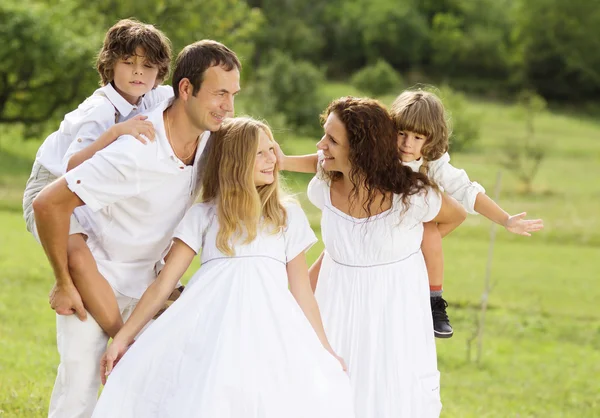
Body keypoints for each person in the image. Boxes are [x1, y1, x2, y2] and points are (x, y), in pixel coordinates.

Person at [32, 40, 241, 418]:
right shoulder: (133, 151)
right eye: (220, 94)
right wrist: (63, 281)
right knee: (79, 397)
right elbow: (48, 203)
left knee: (156, 395)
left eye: (233, 94)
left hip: (147, 288)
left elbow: (259, 155)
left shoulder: (211, 138)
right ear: (186, 89)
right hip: (94, 284)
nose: (228, 106)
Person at [92, 117, 355, 418]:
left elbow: (301, 291)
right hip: (211, 324)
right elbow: (164, 283)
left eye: (272, 150)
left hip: (269, 323)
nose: (273, 159)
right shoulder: (204, 214)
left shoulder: (286, 216)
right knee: (211, 395)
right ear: (235, 161)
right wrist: (123, 338)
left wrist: (325, 348)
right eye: (260, 153)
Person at [282, 96, 467, 417]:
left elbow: (455, 215)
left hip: (392, 317)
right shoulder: (321, 190)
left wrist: (408, 254)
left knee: (387, 398)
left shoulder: (413, 195)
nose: (320, 145)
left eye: (331, 139)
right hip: (334, 309)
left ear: (360, 148)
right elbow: (337, 251)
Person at [23, 18, 173, 338]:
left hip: (91, 186)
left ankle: (148, 302)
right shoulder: (100, 110)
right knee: (78, 255)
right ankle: (120, 337)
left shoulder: (151, 97)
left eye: (148, 66)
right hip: (51, 184)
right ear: (109, 65)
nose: (138, 72)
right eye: (128, 62)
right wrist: (116, 132)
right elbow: (72, 165)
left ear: (159, 73)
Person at [390, 89, 544, 337]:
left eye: (418, 137)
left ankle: (434, 300)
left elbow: (467, 191)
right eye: (401, 133)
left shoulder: (433, 163)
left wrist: (505, 219)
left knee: (430, 231)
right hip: (379, 221)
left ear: (431, 140)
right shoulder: (382, 155)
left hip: (412, 226)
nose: (408, 143)